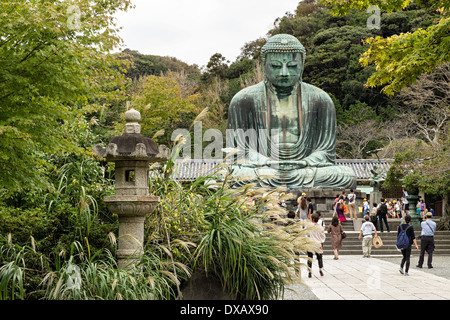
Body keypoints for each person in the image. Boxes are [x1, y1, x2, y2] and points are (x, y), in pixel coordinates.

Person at [226, 34, 357, 189]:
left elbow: (326, 152)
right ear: (263, 66)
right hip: (263, 168)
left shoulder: (320, 99)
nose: (284, 73)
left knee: (345, 176)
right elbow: (238, 152)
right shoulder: (243, 99)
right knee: (226, 176)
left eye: (292, 66)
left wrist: (306, 162)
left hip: (304, 169)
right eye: (275, 66)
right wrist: (266, 161)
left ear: (302, 66)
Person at [307, 213, 326, 277]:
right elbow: (323, 236)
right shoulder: (320, 227)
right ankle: (320, 269)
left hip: (310, 243)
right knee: (319, 257)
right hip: (318, 244)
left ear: (312, 219)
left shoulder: (309, 226)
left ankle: (309, 271)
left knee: (310, 257)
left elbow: (306, 234)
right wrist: (321, 242)